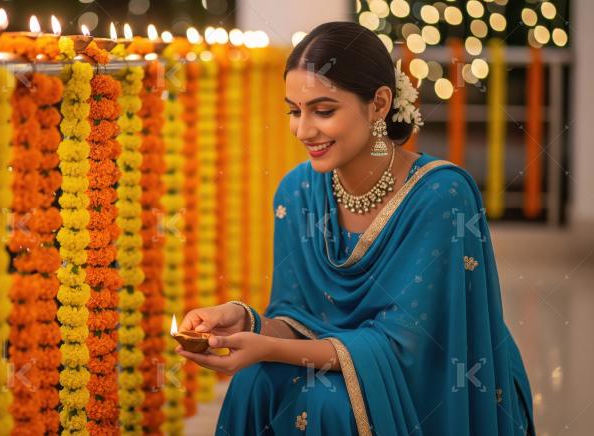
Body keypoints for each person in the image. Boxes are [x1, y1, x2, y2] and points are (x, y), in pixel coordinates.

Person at [177, 21, 534, 435]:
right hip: (347, 360)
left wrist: (269, 347)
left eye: (323, 111)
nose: (303, 130)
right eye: (294, 111)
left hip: (435, 381)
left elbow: (409, 347)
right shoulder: (297, 192)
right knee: (254, 381)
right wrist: (244, 320)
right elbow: (298, 318)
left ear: (379, 104)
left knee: (325, 403)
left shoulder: (442, 196)